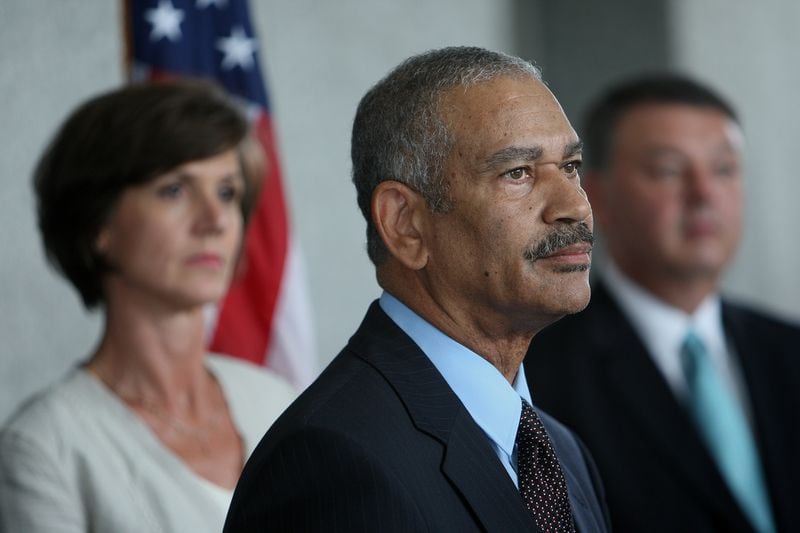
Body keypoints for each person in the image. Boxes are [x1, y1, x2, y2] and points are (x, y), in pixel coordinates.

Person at [224, 46, 610, 533]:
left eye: (571, 166)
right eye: (518, 173)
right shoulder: (334, 460)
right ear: (405, 224)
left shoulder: (561, 452)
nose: (574, 205)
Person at [0, 80, 296, 533]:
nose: (215, 221)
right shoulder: (43, 447)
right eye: (174, 190)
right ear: (99, 224)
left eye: (227, 193)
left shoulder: (279, 402)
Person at [524, 74, 800, 533]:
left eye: (723, 169)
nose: (704, 194)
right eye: (669, 170)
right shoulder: (540, 377)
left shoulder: (790, 352)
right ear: (597, 199)